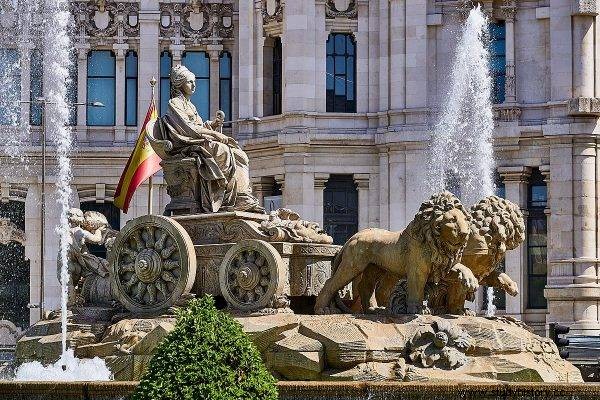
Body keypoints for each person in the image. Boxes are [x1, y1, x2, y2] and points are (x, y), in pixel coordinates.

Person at [155, 64, 263, 213]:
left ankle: (241, 195)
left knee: (240, 155)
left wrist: (213, 125)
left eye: (194, 82)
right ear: (179, 84)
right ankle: (223, 197)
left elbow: (199, 126)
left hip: (199, 141)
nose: (193, 85)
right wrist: (215, 134)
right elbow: (188, 129)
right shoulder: (175, 103)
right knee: (223, 151)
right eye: (189, 82)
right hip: (186, 145)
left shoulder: (190, 106)